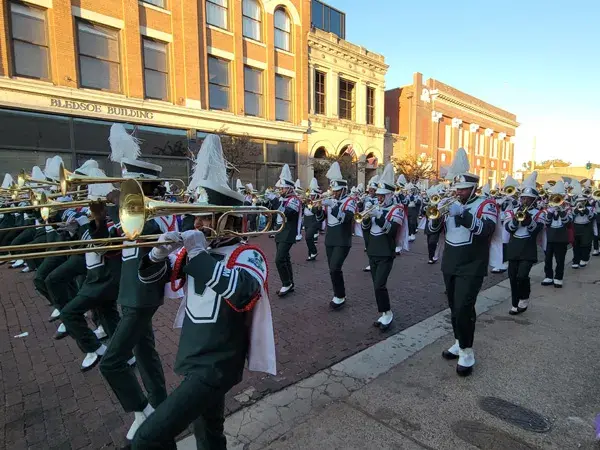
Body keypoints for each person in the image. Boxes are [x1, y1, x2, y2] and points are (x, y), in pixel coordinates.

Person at [130, 132, 276, 449]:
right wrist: (156, 255)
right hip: (194, 358)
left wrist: (197, 254)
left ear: (227, 220)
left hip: (218, 364)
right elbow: (151, 281)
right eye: (196, 219)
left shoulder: (247, 255)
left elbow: (242, 292)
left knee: (146, 439)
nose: (196, 225)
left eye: (205, 218)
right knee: (208, 432)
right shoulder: (197, 251)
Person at [99, 124, 175, 442]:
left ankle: (141, 410)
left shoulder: (156, 216)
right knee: (144, 352)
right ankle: (159, 404)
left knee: (111, 362)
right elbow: (109, 248)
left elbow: (160, 250)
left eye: (128, 184)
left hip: (142, 295)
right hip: (129, 293)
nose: (123, 188)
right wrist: (100, 217)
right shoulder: (130, 215)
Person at [428, 149, 497, 377]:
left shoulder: (486, 204)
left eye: (464, 189)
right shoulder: (451, 203)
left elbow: (486, 230)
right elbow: (433, 230)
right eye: (457, 188)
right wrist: (437, 215)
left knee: (464, 307)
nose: (459, 192)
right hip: (450, 262)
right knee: (453, 307)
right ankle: (459, 341)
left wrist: (464, 215)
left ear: (474, 188)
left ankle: (467, 352)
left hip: (472, 264)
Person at [361, 164, 404, 331]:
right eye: (378, 195)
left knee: (380, 284)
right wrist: (366, 218)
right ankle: (384, 312)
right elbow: (365, 229)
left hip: (386, 252)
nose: (378, 198)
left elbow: (391, 231)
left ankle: (388, 313)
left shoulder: (397, 209)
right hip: (373, 251)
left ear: (390, 195)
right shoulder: (375, 207)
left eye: (382, 195)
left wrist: (379, 216)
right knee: (376, 285)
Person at [316, 162, 357, 310]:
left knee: (335, 267)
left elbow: (346, 218)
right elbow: (321, 219)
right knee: (332, 269)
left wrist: (333, 205)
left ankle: (340, 296)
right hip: (330, 239)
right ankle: (339, 294)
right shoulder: (332, 200)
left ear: (344, 189)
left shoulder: (350, 201)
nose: (335, 193)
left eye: (338, 191)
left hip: (342, 239)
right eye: (334, 190)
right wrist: (318, 208)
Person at [504, 172, 545, 315]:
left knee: (522, 276)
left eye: (528, 198)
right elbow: (508, 228)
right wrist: (516, 220)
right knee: (512, 277)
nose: (525, 200)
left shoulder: (540, 213)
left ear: (534, 200)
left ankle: (524, 297)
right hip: (513, 249)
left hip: (528, 249)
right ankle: (515, 303)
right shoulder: (512, 212)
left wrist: (528, 220)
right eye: (523, 198)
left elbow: (536, 230)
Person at [273, 164, 301, 297]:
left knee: (279, 259)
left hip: (288, 232)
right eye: (280, 188)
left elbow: (289, 213)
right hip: (280, 231)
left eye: (283, 188)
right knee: (285, 258)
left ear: (289, 188)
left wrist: (277, 201)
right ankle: (290, 283)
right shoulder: (283, 199)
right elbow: (274, 214)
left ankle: (286, 283)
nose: (281, 190)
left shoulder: (294, 200)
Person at [541, 181, 571, 288]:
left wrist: (561, 211)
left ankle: (558, 278)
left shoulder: (568, 208)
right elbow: (547, 224)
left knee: (560, 260)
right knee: (547, 259)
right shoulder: (548, 209)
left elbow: (568, 224)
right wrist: (550, 212)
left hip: (561, 238)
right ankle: (548, 276)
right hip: (550, 238)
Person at [491, 175, 519, 274]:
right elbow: (496, 205)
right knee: (499, 241)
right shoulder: (502, 197)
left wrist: (512, 198)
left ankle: (505, 262)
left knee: (505, 241)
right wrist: (502, 199)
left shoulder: (516, 199)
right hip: (501, 220)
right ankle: (500, 260)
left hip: (510, 220)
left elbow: (517, 206)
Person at [570, 182, 595, 268]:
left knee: (586, 244)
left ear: (585, 201)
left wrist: (586, 211)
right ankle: (576, 260)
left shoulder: (589, 208)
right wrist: (577, 210)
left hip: (586, 227)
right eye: (579, 201)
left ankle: (584, 258)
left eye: (583, 201)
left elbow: (592, 217)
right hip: (576, 227)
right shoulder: (573, 208)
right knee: (576, 245)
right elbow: (571, 216)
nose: (581, 202)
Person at [361, 175, 379, 272]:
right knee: (367, 243)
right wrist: (360, 202)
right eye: (370, 190)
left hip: (376, 223)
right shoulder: (366, 198)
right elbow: (360, 209)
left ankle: (376, 262)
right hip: (366, 222)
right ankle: (371, 262)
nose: (370, 191)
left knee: (374, 244)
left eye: (372, 190)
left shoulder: (380, 199)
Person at [304, 178, 323, 261]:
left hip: (314, 222)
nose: (311, 196)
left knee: (308, 237)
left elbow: (316, 212)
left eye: (313, 195)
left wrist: (309, 205)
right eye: (310, 195)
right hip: (307, 221)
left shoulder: (318, 202)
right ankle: (311, 254)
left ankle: (314, 251)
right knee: (309, 238)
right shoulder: (308, 200)